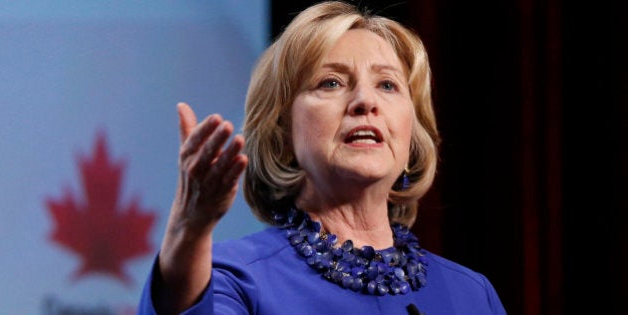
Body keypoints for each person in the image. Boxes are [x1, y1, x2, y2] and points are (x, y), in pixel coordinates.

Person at [138, 1, 507, 314]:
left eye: (387, 84)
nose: (366, 101)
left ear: (411, 135)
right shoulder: (234, 277)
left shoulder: (472, 295)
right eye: (330, 82)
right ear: (282, 134)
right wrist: (189, 229)